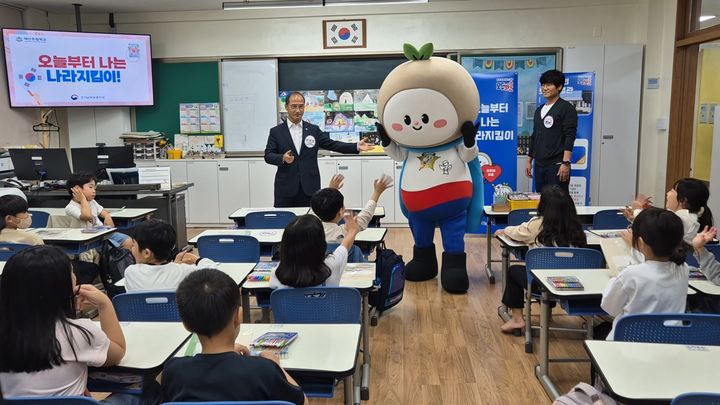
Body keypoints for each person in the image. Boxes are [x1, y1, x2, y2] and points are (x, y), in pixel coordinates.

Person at [0, 245, 153, 404]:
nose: (75, 275)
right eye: (71, 272)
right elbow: (118, 352)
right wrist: (105, 304)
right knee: (148, 388)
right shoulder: (77, 332)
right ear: (62, 286)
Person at [160, 269, 307, 405]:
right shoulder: (264, 370)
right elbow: (303, 403)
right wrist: (277, 366)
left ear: (186, 324)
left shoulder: (173, 371)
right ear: (238, 316)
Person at [495, 185, 587, 333]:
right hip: (573, 283)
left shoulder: (537, 225)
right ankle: (548, 312)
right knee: (553, 267)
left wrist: (504, 230)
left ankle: (517, 319)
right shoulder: (576, 227)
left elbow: (517, 232)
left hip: (543, 284)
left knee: (514, 271)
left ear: (543, 205)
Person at [264, 91, 374, 208]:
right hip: (286, 188)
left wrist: (356, 146)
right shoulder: (276, 132)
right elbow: (268, 155)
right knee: (285, 222)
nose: (298, 110)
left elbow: (332, 144)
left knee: (310, 223)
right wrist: (282, 158)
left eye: (301, 106)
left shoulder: (313, 130)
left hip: (310, 187)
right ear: (286, 107)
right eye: (294, 106)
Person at [601, 208, 689, 340]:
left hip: (629, 343)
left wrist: (615, 278)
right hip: (670, 342)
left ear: (641, 243)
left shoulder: (630, 275)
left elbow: (609, 307)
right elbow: (651, 265)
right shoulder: (683, 268)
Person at [124, 219, 217, 291]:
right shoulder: (184, 272)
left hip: (141, 316)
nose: (131, 248)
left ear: (146, 253)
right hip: (178, 316)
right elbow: (214, 272)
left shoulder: (130, 272)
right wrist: (197, 260)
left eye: (133, 245)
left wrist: (175, 266)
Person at [270, 213, 358, 289]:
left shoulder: (277, 273)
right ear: (321, 244)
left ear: (285, 246)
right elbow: (346, 245)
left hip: (290, 309)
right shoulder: (332, 264)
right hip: (326, 309)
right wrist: (352, 229)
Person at [526, 69, 577, 194]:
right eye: (543, 85)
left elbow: (569, 136)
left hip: (557, 164)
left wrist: (565, 163)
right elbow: (534, 136)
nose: (545, 88)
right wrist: (529, 161)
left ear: (559, 87)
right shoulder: (539, 110)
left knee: (558, 201)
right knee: (542, 200)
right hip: (540, 164)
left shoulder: (566, 108)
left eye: (548, 85)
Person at [624, 178, 713, 244]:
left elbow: (653, 225)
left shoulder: (681, 219)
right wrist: (635, 216)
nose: (668, 193)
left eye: (672, 191)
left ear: (683, 200)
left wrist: (637, 210)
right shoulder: (686, 217)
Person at [311, 173, 392, 243]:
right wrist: (377, 192)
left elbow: (316, 209)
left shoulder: (311, 230)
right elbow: (365, 216)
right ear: (340, 212)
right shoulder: (346, 231)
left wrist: (331, 190)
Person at [65, 172, 132, 250]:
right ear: (77, 189)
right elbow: (87, 216)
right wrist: (83, 199)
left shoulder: (92, 202)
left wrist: (107, 216)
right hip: (90, 239)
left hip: (102, 234)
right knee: (114, 246)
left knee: (128, 241)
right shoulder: (70, 207)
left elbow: (102, 211)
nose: (94, 191)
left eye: (95, 188)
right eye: (90, 187)